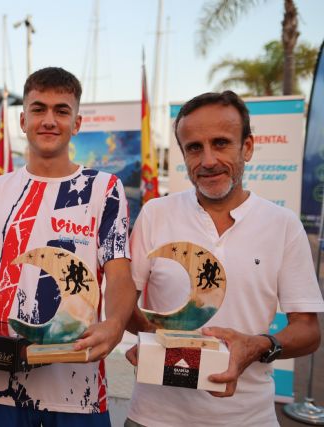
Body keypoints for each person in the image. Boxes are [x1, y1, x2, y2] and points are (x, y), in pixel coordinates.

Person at [0, 67, 137, 427]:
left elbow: (120, 276)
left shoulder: (105, 188)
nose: (49, 120)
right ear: (22, 119)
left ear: (77, 123)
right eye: (39, 109)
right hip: (0, 384)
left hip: (78, 388)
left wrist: (114, 325)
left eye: (61, 111)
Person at [125, 90, 323, 426]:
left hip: (248, 417)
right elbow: (123, 301)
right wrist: (157, 340)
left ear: (247, 147)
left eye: (221, 143)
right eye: (194, 148)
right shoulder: (156, 213)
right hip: (154, 416)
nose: (208, 160)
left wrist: (258, 346)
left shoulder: (283, 225)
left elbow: (308, 330)